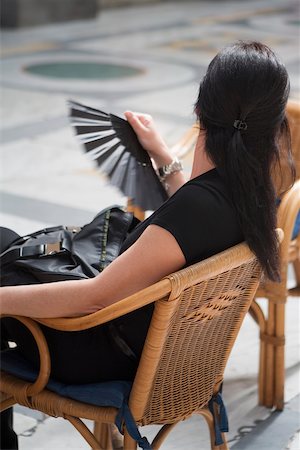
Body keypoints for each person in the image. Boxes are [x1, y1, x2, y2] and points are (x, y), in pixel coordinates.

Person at [0, 41, 295, 448]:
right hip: (169, 360)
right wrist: (160, 153)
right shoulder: (253, 194)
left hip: (102, 356)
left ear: (199, 111)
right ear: (273, 125)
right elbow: (190, 226)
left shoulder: (198, 207)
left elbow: (93, 299)